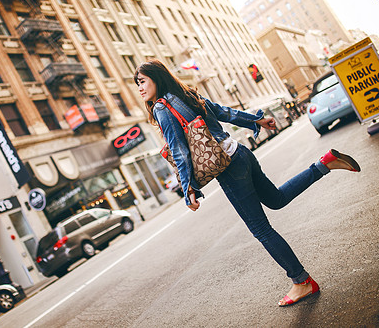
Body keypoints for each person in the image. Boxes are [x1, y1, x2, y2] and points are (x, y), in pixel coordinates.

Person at [134, 59, 361, 307]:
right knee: (276, 199)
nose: (140, 88)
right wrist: (257, 120)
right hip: (241, 153)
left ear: (156, 77)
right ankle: (324, 164)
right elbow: (224, 112)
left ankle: (302, 282)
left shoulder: (161, 108)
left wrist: (188, 188)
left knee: (261, 229)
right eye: (137, 84)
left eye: (142, 81)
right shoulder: (187, 93)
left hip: (228, 168)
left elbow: (179, 150)